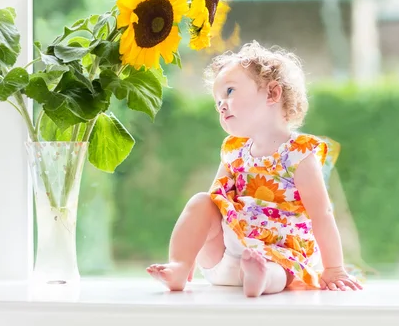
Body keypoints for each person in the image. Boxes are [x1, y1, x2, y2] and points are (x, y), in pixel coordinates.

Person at [147, 41, 363, 297]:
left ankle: (259, 278)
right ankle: (180, 266)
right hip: (225, 255)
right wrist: (193, 244)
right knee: (201, 202)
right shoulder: (233, 150)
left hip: (280, 252)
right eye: (217, 102)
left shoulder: (298, 153)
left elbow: (322, 214)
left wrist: (334, 268)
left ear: (272, 94)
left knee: (280, 272)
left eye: (229, 91)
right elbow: (216, 201)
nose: (222, 105)